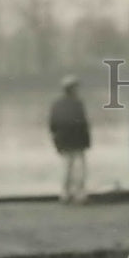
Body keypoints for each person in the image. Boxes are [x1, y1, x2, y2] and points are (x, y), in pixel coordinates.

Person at [49, 74, 91, 204]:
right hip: (77, 140)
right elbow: (84, 124)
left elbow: (52, 125)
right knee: (79, 167)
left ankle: (65, 194)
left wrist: (56, 142)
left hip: (63, 140)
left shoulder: (56, 105)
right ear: (72, 89)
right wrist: (87, 142)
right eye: (76, 87)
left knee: (67, 166)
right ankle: (80, 194)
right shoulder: (78, 104)